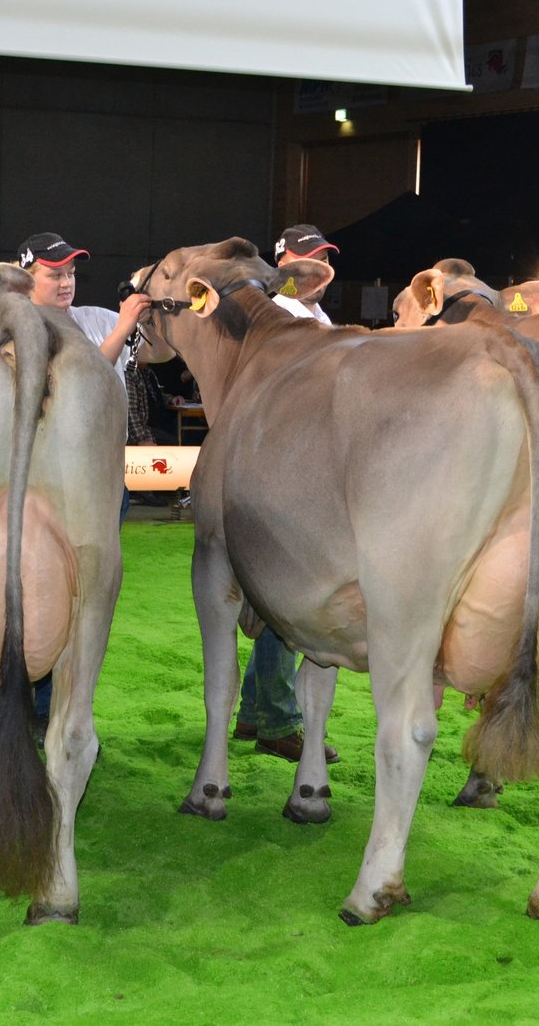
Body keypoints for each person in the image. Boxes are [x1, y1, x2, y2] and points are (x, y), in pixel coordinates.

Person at [15, 231, 150, 732]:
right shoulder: (21, 326)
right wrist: (126, 328)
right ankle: (33, 707)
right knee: (41, 593)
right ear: (26, 276)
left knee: (86, 597)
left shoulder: (94, 318)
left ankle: (63, 708)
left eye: (71, 272)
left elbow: (154, 354)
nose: (66, 282)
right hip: (48, 485)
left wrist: (150, 304)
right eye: (54, 273)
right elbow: (83, 377)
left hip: (105, 482)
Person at [229, 226, 340, 763]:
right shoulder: (278, 315)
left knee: (278, 600)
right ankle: (277, 719)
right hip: (281, 470)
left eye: (324, 257)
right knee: (286, 600)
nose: (319, 268)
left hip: (304, 467)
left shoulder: (317, 316)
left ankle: (255, 712)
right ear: (285, 264)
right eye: (309, 258)